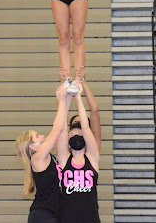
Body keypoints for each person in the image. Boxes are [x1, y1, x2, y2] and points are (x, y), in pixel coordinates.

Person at [15, 86, 71, 223]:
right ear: (32, 146)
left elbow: (62, 127)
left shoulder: (48, 158)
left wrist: (65, 101)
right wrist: (62, 102)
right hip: (43, 215)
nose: (42, 136)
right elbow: (57, 129)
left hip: (52, 214)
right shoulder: (38, 157)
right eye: (37, 136)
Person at [57, 83, 101, 222]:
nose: (77, 136)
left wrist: (79, 97)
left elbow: (87, 129)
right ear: (67, 144)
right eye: (72, 135)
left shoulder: (92, 158)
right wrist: (64, 101)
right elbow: (62, 128)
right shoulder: (64, 160)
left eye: (80, 135)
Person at [68, 80, 102, 151]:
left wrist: (83, 81)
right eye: (76, 122)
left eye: (81, 122)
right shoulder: (65, 150)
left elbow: (94, 111)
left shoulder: (92, 149)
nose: (79, 123)